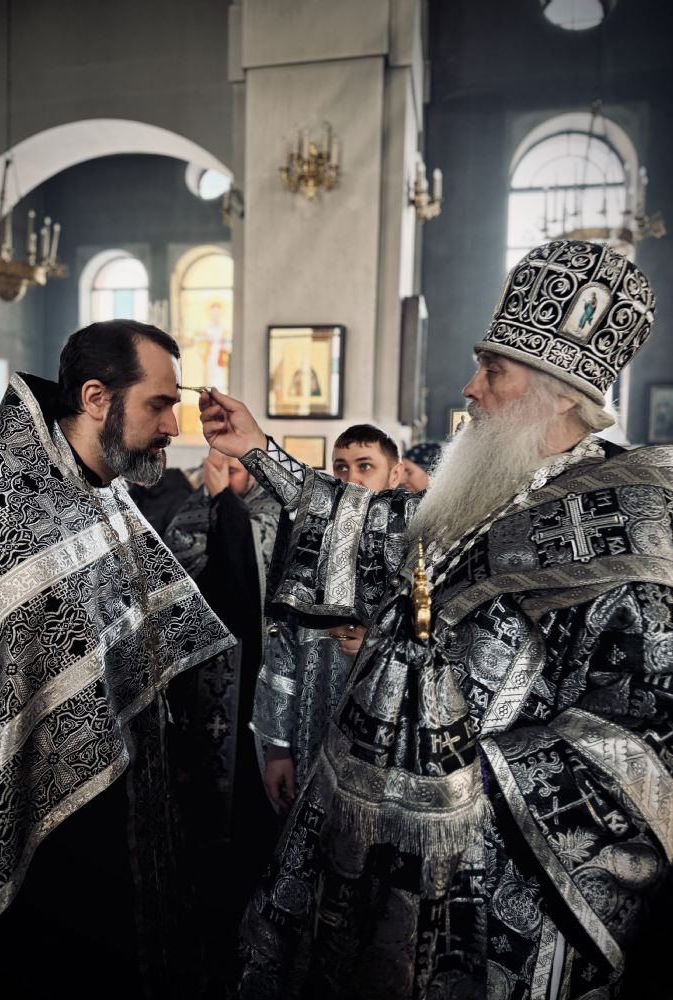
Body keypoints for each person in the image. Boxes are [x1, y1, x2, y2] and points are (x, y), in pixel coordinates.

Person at [199, 240, 673, 999]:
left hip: (491, 880)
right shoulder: (500, 484)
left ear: (559, 393)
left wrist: (468, 783)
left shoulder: (633, 522)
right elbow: (376, 526)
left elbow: (646, 736)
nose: (469, 388)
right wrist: (259, 451)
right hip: (373, 834)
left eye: (493, 370)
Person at [0, 319, 232, 999]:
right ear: (96, 398)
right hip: (47, 829)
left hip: (128, 798)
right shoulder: (17, 517)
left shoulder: (105, 494)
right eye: (159, 404)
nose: (172, 426)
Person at [163, 449, 281, 997]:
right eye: (218, 470)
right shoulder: (190, 514)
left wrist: (223, 505)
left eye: (234, 469)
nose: (225, 478)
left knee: (253, 817)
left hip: (259, 679)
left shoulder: (274, 516)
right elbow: (174, 593)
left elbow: (245, 585)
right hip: (202, 682)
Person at [252, 423, 404, 811]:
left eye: (365, 466)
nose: (351, 479)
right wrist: (277, 748)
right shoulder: (308, 541)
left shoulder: (417, 542)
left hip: (386, 736)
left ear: (396, 474)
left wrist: (382, 642)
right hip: (312, 722)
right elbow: (282, 641)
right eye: (341, 467)